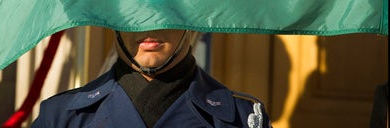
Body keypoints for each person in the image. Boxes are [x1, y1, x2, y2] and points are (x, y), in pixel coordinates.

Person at [32, 28, 271, 127]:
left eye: (166, 8)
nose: (149, 25)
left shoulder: (242, 118)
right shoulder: (62, 118)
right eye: (133, 9)